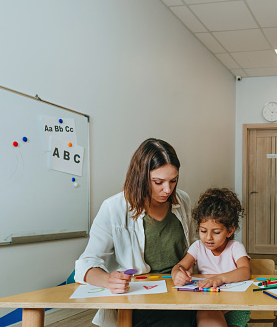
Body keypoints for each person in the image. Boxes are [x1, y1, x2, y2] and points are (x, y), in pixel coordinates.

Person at [74, 138, 197, 327]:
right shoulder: (113, 208)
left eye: (173, 181)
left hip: (181, 291)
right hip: (140, 298)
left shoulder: (183, 201)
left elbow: (194, 248)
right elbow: (86, 263)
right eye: (158, 182)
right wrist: (109, 280)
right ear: (140, 177)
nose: (168, 189)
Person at [172, 188, 252, 327]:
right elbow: (179, 266)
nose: (208, 237)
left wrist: (219, 278)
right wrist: (177, 274)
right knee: (207, 316)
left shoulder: (235, 247)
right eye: (203, 231)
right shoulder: (197, 247)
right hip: (208, 303)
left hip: (234, 304)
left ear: (230, 231)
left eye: (216, 232)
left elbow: (245, 271)